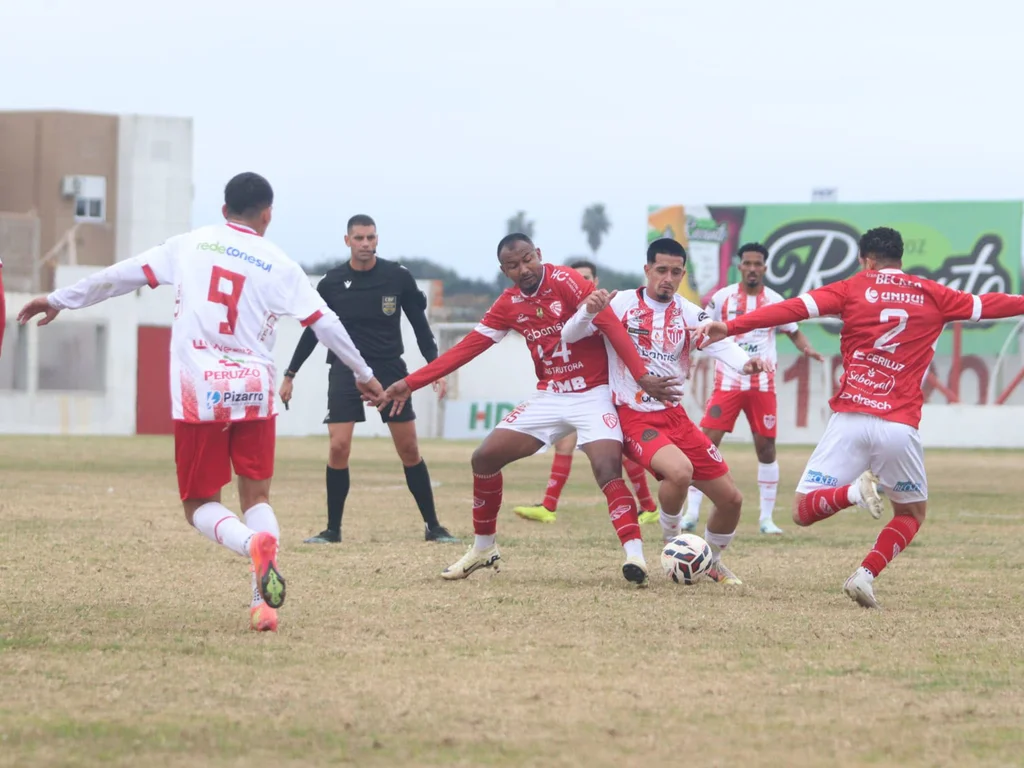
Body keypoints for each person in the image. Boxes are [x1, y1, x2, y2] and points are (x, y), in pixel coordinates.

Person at [18, 172, 385, 632]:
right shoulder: (280, 263)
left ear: (224, 207)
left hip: (201, 391)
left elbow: (119, 277)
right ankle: (261, 600)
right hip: (254, 388)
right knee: (257, 495)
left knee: (199, 505)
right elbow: (325, 323)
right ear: (267, 213)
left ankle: (251, 546)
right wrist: (365, 374)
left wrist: (59, 299)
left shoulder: (189, 245)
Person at [695, 226, 1024, 608]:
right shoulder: (933, 294)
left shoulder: (852, 287)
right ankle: (865, 574)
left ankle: (853, 492)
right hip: (898, 426)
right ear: (901, 259)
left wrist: (730, 326)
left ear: (865, 259)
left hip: (850, 418)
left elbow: (793, 309)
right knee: (912, 514)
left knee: (802, 510)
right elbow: (993, 305)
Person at [381, 234, 681, 586]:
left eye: (527, 260)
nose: (523, 269)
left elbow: (609, 324)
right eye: (513, 265)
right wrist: (411, 382)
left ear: (538, 254)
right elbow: (467, 349)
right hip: (552, 396)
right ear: (503, 270)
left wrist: (642, 376)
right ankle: (483, 548)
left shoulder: (566, 280)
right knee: (484, 458)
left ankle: (635, 557)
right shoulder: (507, 303)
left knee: (606, 468)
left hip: (593, 394)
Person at [561, 238, 766, 585]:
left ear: (682, 274)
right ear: (647, 270)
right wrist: (588, 310)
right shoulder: (622, 303)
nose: (667, 278)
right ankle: (673, 543)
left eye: (675, 272)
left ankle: (710, 562)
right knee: (680, 472)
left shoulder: (687, 312)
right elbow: (570, 334)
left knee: (731, 500)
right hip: (635, 417)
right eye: (661, 270)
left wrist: (745, 364)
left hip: (676, 418)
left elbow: (718, 341)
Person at [279, 214, 456, 545]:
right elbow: (314, 332)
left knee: (409, 448)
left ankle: (434, 526)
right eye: (358, 238)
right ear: (347, 240)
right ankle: (332, 530)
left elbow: (420, 327)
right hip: (346, 370)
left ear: (377, 240)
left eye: (370, 238)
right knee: (338, 446)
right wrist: (290, 374)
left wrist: (435, 369)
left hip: (390, 370)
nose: (365, 244)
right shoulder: (331, 283)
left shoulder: (397, 277)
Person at [685, 242, 824, 535]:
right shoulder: (722, 298)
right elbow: (704, 329)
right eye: (747, 263)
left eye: (757, 264)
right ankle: (691, 513)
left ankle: (766, 519)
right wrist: (691, 357)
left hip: (762, 385)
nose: (751, 268)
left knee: (766, 448)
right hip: (728, 383)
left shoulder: (775, 300)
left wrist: (808, 349)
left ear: (765, 267)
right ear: (740, 266)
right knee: (705, 445)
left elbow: (794, 331)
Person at [512, 258, 659, 525]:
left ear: (596, 282)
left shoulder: (607, 308)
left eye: (587, 278)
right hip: (575, 393)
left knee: (621, 453)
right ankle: (549, 506)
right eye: (577, 277)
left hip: (607, 390)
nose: (582, 283)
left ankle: (648, 506)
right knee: (564, 445)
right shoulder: (560, 312)